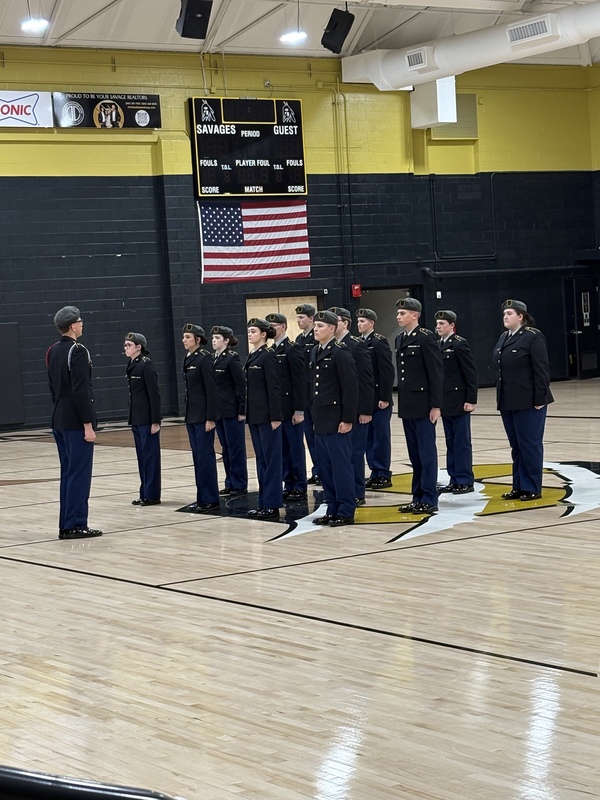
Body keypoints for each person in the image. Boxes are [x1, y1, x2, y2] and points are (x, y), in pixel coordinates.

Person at [46, 306, 102, 539]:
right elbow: (81, 391)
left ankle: (66, 522)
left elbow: (52, 387)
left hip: (59, 417)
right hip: (75, 422)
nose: (82, 324)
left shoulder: (53, 351)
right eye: (80, 321)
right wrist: (87, 424)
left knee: (68, 473)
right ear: (72, 326)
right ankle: (76, 523)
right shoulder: (78, 351)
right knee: (79, 473)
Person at [493, 299, 554, 501]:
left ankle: (531, 487)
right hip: (508, 400)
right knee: (516, 446)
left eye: (510, 313)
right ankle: (519, 485)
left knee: (529, 444)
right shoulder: (503, 338)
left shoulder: (532, 337)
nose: (505, 316)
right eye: (504, 313)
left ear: (521, 316)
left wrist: (540, 397)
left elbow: (541, 369)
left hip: (529, 400)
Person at [395, 297, 443, 515]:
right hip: (408, 405)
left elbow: (435, 373)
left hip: (424, 405)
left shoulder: (426, 338)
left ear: (414, 315)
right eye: (398, 313)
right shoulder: (399, 339)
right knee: (414, 455)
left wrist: (436, 405)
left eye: (402, 313)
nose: (398, 316)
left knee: (426, 453)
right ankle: (417, 497)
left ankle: (429, 497)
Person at [310, 310, 359, 527]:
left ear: (332, 328)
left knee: (341, 467)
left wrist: (348, 419)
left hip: (337, 419)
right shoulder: (315, 351)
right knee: (326, 468)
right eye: (315, 326)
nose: (315, 329)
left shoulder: (340, 352)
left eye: (320, 326)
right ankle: (332, 507)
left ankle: (346, 509)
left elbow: (350, 388)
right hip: (321, 419)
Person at [329, 306, 373, 507]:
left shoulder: (356, 345)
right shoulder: (330, 346)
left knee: (355, 452)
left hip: (355, 410)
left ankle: (357, 491)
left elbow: (365, 380)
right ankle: (343, 490)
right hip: (337, 409)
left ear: (345, 323)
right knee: (340, 455)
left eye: (335, 320)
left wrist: (365, 410)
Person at [434, 310, 478, 494]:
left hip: (459, 401)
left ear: (452, 326)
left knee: (461, 443)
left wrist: (470, 399)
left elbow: (470, 373)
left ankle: (465, 479)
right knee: (450, 442)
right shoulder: (438, 345)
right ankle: (454, 478)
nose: (438, 327)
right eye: (437, 324)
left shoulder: (459, 344)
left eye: (442, 324)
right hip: (446, 402)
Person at [266, 312, 307, 501]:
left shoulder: (292, 349)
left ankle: (299, 484)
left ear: (283, 327)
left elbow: (300, 382)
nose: (270, 329)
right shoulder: (271, 349)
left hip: (291, 409)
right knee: (282, 450)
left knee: (295, 449)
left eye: (273, 326)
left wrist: (299, 410)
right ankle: (288, 482)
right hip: (278, 409)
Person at [245, 318, 283, 519]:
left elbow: (274, 388)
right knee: (261, 460)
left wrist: (276, 417)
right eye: (249, 331)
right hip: (256, 416)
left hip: (268, 417)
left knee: (271, 461)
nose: (250, 334)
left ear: (263, 334)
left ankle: (272, 503)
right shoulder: (253, 355)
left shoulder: (268, 356)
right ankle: (263, 501)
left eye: (253, 331)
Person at [182, 323, 220, 513]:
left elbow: (212, 390)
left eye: (188, 337)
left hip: (203, 416)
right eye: (184, 337)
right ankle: (202, 497)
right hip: (192, 415)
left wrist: (211, 417)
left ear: (198, 340)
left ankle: (210, 498)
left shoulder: (204, 359)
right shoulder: (189, 358)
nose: (184, 340)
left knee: (205, 457)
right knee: (198, 457)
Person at [356, 308, 395, 490]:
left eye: (363, 321)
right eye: (358, 321)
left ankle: (383, 472)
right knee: (369, 438)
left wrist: (385, 397)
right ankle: (374, 471)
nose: (359, 324)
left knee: (381, 437)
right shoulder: (359, 342)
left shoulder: (378, 342)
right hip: (367, 399)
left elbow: (386, 371)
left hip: (379, 398)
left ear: (371, 323)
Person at [124, 332, 161, 506]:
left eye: (129, 345)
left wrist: (156, 421)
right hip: (137, 418)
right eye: (125, 345)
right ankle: (144, 491)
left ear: (139, 347)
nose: (126, 348)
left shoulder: (145, 365)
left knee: (150, 457)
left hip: (147, 419)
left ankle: (152, 494)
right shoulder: (132, 364)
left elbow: (154, 394)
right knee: (142, 457)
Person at [211, 325, 248, 497]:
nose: (213, 341)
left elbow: (241, 385)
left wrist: (242, 408)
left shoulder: (232, 358)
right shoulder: (213, 358)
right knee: (226, 448)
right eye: (213, 338)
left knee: (236, 448)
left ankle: (239, 483)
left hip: (232, 410)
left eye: (217, 338)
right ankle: (230, 482)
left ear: (226, 340)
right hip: (219, 411)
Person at [295, 303, 320, 485]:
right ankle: (316, 469)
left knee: (319, 433)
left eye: (302, 317)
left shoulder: (317, 338)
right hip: (304, 392)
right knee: (309, 435)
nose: (299, 320)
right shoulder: (299, 339)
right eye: (297, 317)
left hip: (316, 391)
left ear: (311, 319)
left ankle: (323, 469)